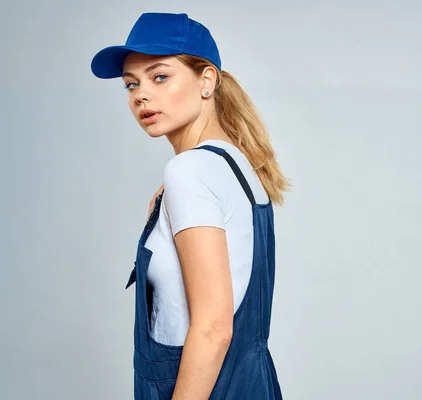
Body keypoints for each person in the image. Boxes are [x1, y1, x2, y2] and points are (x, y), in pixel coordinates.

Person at [90, 12, 289, 400]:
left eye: (160, 76)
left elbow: (215, 328)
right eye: (132, 84)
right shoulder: (238, 164)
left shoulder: (190, 171)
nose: (141, 94)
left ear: (207, 81)